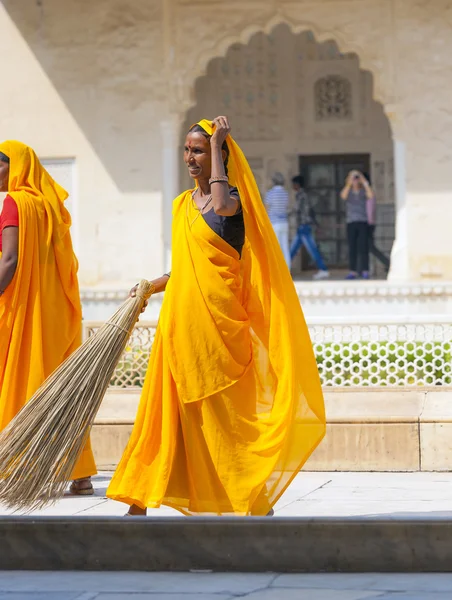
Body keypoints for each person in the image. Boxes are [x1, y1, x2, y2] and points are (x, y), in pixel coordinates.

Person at [107, 117, 326, 516]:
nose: (190, 158)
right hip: (180, 325)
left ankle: (250, 496)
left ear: (219, 156)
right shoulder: (181, 206)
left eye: (200, 151)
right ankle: (139, 499)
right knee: (166, 416)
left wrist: (221, 147)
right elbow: (183, 269)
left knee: (227, 421)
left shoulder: (235, 201)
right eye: (188, 150)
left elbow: (221, 207)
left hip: (221, 330)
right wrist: (149, 287)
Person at [0, 141, 97, 495]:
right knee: (61, 391)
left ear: (19, 168)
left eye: (0, 164)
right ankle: (80, 473)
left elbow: (8, 261)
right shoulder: (50, 207)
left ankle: (18, 464)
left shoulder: (15, 203)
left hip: (23, 311)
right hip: (56, 312)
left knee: (22, 383)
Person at [290, 175, 329, 280]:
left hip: (304, 227)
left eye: (293, 184)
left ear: (297, 185)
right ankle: (283, 271)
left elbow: (299, 210)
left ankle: (323, 269)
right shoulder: (303, 195)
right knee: (292, 251)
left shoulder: (301, 195)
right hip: (303, 227)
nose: (292, 187)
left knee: (312, 250)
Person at [340, 170, 374, 280]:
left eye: (356, 178)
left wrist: (364, 182)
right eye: (353, 177)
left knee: (363, 247)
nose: (355, 180)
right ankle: (353, 271)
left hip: (362, 222)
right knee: (352, 248)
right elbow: (343, 196)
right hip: (351, 222)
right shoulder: (348, 191)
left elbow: (371, 195)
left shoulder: (363, 191)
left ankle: (365, 270)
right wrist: (349, 183)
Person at [364, 173, 390, 274]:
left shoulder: (368, 193)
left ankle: (387, 263)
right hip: (368, 223)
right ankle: (386, 263)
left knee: (370, 247)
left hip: (368, 224)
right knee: (368, 247)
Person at [264, 172, 290, 266]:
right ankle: (287, 269)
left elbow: (266, 209)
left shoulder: (270, 193)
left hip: (274, 223)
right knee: (285, 247)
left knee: (276, 248)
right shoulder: (285, 193)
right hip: (284, 222)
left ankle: (278, 270)